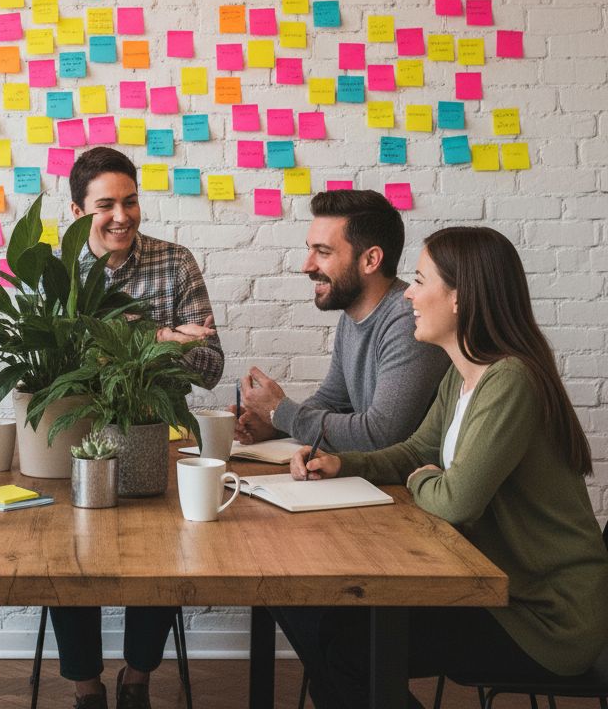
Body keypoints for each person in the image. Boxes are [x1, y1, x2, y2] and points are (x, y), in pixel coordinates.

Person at [274, 226, 608, 709]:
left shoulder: (510, 380)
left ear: (459, 298)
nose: (407, 293)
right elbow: (416, 452)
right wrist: (342, 463)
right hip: (505, 594)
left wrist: (424, 479)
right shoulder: (464, 372)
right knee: (324, 623)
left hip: (546, 619)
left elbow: (456, 500)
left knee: (350, 647)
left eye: (420, 279)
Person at [49, 146, 223, 709]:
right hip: (76, 439)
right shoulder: (55, 269)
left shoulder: (175, 262)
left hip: (155, 433)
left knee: (161, 549)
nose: (121, 215)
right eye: (105, 205)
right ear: (78, 211)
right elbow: (51, 367)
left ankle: (137, 680)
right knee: (65, 555)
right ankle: (86, 688)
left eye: (130, 201)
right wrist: (166, 336)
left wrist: (141, 337)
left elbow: (211, 366)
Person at [233, 189, 448, 451]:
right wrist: (276, 423)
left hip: (407, 486)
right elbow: (333, 401)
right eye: (310, 250)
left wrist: (282, 412)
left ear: (370, 260)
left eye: (323, 252)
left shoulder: (408, 320)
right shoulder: (354, 312)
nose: (307, 266)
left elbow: (381, 435)